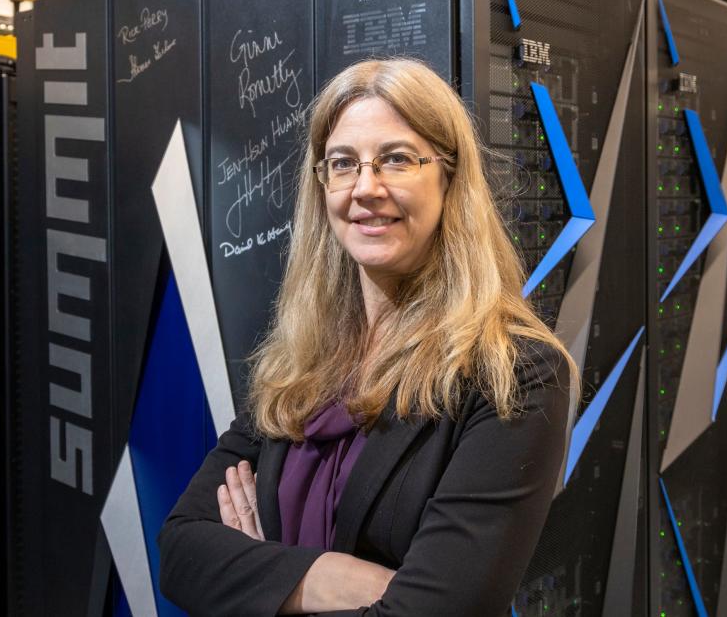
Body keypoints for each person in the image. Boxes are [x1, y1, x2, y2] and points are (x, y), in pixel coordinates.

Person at [158, 58, 577, 616]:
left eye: (397, 160)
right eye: (343, 164)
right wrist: (334, 576)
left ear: (450, 178)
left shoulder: (513, 371)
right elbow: (181, 552)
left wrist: (263, 579)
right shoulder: (302, 361)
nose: (366, 188)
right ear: (322, 185)